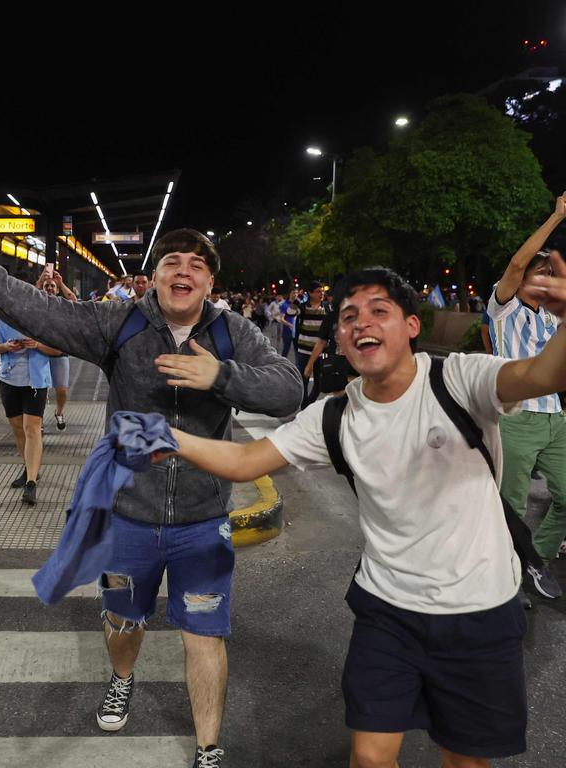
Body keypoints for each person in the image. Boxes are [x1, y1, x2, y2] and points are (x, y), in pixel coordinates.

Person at [167, 263, 566, 768]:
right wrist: (172, 440)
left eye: (380, 311)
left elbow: (541, 373)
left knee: (466, 760)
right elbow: (247, 461)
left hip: (480, 610)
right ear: (339, 336)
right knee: (371, 756)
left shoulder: (460, 378)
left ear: (412, 326)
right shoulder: (335, 414)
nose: (362, 324)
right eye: (349, 316)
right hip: (388, 611)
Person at [0, 227, 301, 768]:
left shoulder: (233, 334)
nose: (184, 272)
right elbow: (39, 311)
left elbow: (290, 390)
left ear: (209, 282)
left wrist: (219, 375)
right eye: (172, 262)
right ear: (154, 276)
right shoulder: (120, 323)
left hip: (202, 522)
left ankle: (207, 747)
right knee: (123, 623)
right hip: (128, 517)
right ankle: (122, 677)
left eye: (196, 266)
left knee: (205, 635)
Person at [488, 196, 566, 597]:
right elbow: (517, 264)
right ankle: (506, 579)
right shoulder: (503, 308)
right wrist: (556, 216)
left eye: (551, 272)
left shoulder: (554, 317)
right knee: (512, 507)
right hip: (517, 419)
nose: (546, 277)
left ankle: (534, 560)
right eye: (541, 271)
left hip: (555, 418)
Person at [0, 304, 61, 505]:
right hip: (8, 378)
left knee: (32, 429)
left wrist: (37, 345)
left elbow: (59, 349)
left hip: (36, 381)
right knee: (18, 428)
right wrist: (6, 347)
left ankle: (31, 484)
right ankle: (29, 469)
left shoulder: (42, 312)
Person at [38, 272, 78, 430]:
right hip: (39, 352)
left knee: (61, 389)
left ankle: (59, 412)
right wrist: (41, 280)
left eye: (52, 286)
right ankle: (37, 418)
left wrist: (61, 282)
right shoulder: (37, 302)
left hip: (59, 352)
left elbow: (74, 300)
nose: (49, 288)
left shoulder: (63, 304)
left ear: (57, 289)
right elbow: (25, 296)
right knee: (39, 390)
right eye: (46, 286)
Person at [295, 281, 329, 408]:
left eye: (322, 291)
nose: (321, 294)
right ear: (310, 293)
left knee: (319, 383)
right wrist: (296, 299)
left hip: (320, 351)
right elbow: (290, 313)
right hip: (303, 350)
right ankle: (304, 407)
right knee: (303, 380)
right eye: (318, 291)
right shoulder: (303, 307)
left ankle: (309, 403)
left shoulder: (326, 307)